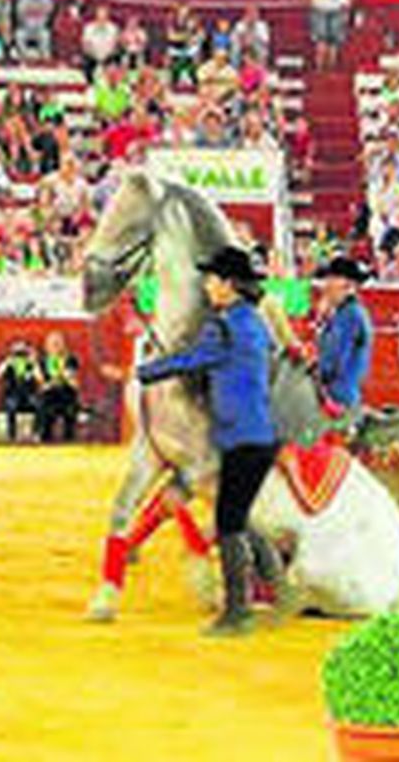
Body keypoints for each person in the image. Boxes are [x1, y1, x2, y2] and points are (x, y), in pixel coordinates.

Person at [136, 247, 279, 637]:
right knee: (242, 515)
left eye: (212, 279)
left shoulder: (224, 325)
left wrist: (147, 371)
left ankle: (238, 612)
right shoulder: (254, 321)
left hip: (240, 438)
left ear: (230, 285)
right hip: (262, 434)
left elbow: (191, 358)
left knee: (229, 522)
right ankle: (274, 585)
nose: (207, 285)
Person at [311, 256, 374, 441]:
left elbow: (331, 362)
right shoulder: (346, 313)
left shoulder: (349, 316)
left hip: (337, 401)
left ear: (348, 285)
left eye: (332, 279)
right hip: (342, 396)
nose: (326, 285)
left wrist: (310, 373)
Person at [36, 331, 81, 443]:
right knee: (44, 408)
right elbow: (41, 384)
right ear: (47, 346)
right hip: (49, 396)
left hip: (66, 394)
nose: (55, 346)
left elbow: (73, 382)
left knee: (70, 410)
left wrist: (66, 377)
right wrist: (54, 381)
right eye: (53, 343)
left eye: (58, 343)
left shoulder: (70, 360)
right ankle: (43, 437)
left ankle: (69, 439)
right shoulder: (41, 361)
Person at [0, 340, 40, 442]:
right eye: (18, 353)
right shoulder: (9, 364)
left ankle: (36, 433)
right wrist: (7, 362)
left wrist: (33, 363)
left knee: (39, 405)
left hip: (28, 395)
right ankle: (12, 435)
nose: (20, 357)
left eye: (22, 353)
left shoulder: (30, 365)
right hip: (12, 395)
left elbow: (39, 378)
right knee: (11, 407)